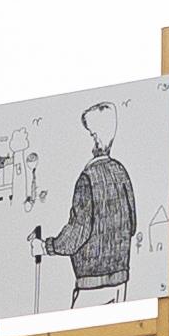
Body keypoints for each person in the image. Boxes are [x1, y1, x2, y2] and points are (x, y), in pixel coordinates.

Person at [32, 97, 140, 305]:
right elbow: (132, 225)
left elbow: (76, 234)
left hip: (91, 282)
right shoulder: (120, 171)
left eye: (86, 134)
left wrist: (46, 247)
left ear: (94, 138)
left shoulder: (87, 179)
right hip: (120, 279)